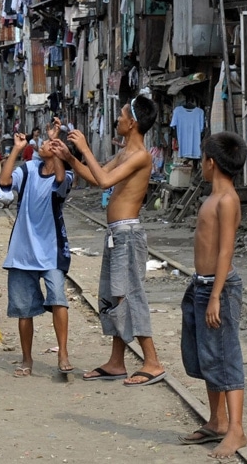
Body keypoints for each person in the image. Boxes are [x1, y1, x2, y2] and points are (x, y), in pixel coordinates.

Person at [54, 95, 165, 386]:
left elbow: (104, 181)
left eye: (121, 115)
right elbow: (96, 176)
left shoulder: (140, 155)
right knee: (115, 295)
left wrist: (85, 148)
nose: (117, 119)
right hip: (117, 235)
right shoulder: (125, 152)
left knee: (128, 295)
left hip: (127, 235)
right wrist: (69, 158)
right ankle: (117, 362)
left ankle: (152, 361)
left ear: (133, 122)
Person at [179, 132, 247, 459]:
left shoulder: (227, 200)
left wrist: (217, 295)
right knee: (208, 357)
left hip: (217, 288)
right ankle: (217, 421)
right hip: (202, 285)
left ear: (211, 162)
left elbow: (225, 252)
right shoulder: (211, 197)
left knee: (225, 356)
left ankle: (236, 430)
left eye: (202, 159)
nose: (200, 165)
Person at [0, 122, 74, 377]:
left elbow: (61, 179)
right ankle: (27, 359)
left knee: (58, 300)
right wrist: (16, 150)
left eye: (46, 143)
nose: (39, 144)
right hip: (22, 252)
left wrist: (57, 152)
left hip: (51, 252)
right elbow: (4, 181)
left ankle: (62, 353)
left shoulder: (66, 176)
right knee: (24, 310)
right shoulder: (29, 168)